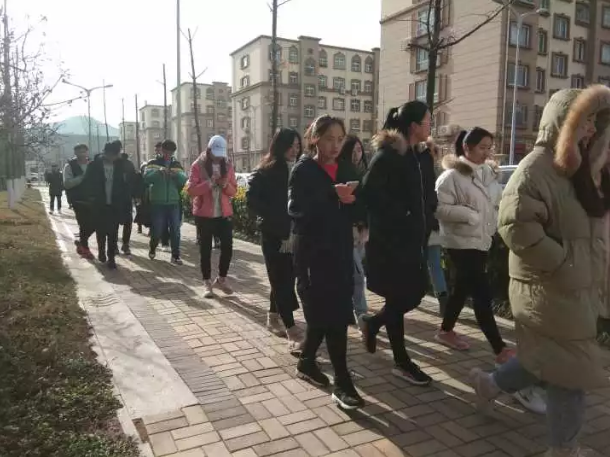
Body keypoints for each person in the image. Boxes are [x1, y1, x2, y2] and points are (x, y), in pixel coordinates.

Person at [470, 86, 610, 456]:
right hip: (549, 287)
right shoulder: (536, 168)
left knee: (545, 361)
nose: (591, 129)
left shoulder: (580, 169)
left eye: (596, 122)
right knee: (570, 373)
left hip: (573, 287)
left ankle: (489, 385)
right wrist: (564, 261)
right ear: (565, 122)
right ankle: (564, 449)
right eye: (586, 120)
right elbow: (515, 225)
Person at [289, 115, 365, 410]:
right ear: (315, 139)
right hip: (312, 253)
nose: (335, 145)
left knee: (332, 313)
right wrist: (331, 196)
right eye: (329, 139)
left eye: (340, 139)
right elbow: (297, 211)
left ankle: (307, 361)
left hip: (340, 249)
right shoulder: (304, 170)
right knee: (330, 315)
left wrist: (353, 204)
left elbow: (358, 207)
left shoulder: (345, 168)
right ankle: (342, 382)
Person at [359, 101, 433, 386]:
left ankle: (373, 323)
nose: (431, 125)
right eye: (427, 121)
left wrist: (427, 217)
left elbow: (423, 194)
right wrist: (403, 215)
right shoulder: (388, 155)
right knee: (400, 295)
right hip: (391, 243)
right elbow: (369, 192)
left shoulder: (417, 155)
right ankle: (401, 361)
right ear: (413, 126)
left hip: (413, 240)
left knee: (413, 293)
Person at [434, 128, 515, 362]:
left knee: (462, 288)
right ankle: (499, 349)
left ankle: (445, 331)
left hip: (482, 239)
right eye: (482, 147)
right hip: (460, 242)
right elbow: (439, 208)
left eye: (489, 147)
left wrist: (494, 221)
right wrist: (470, 216)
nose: (487, 152)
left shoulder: (488, 173)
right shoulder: (451, 177)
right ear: (467, 147)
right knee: (481, 292)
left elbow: (495, 203)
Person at [247, 128, 303, 352]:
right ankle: (291, 329)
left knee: (285, 278)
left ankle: (272, 317)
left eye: (297, 146)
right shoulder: (266, 170)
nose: (294, 151)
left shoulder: (301, 169)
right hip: (273, 234)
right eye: (290, 146)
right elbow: (252, 200)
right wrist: (273, 216)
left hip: (295, 234)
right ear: (280, 146)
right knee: (281, 281)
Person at [187, 135, 237, 298]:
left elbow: (234, 191)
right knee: (205, 249)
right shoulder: (198, 165)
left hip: (223, 213)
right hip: (204, 215)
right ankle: (207, 282)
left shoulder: (228, 165)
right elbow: (191, 191)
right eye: (216, 154)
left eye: (221, 154)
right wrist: (209, 183)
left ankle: (222, 279)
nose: (218, 158)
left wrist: (225, 185)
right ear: (209, 150)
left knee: (228, 247)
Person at [83, 141, 135, 269]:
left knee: (113, 233)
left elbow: (127, 184)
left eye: (115, 155)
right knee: (100, 231)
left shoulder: (122, 166)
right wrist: (91, 198)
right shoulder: (94, 165)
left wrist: (127, 200)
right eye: (110, 154)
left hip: (115, 205)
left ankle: (111, 257)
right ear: (105, 153)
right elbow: (87, 183)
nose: (112, 157)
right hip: (99, 204)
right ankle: (101, 251)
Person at [338, 135, 369, 322]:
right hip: (346, 230)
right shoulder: (341, 171)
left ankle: (348, 307)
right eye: (352, 150)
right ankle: (361, 314)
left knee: (352, 272)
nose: (356, 154)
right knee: (358, 274)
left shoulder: (366, 172)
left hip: (361, 230)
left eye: (359, 150)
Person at [144, 139, 187, 264]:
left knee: (175, 230)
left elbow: (184, 179)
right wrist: (158, 172)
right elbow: (146, 178)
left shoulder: (176, 164)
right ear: (162, 150)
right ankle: (153, 247)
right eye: (166, 152)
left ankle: (175, 256)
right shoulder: (153, 163)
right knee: (157, 229)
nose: (168, 154)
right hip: (158, 202)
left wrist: (176, 175)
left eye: (171, 152)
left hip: (173, 202)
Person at [422, 137, 448, 315]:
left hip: (427, 225)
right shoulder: (440, 172)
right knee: (435, 264)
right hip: (436, 225)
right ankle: (443, 299)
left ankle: (416, 294)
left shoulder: (425, 172)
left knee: (424, 263)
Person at [63, 144, 94, 259]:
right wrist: (82, 177)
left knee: (95, 224)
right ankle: (86, 250)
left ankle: (81, 243)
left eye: (84, 151)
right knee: (83, 224)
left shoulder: (92, 164)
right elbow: (67, 184)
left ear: (87, 152)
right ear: (75, 153)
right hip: (78, 200)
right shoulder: (69, 166)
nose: (82, 154)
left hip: (93, 199)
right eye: (79, 152)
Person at [116, 144, 136, 255]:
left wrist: (134, 194)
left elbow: (134, 179)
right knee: (114, 223)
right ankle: (114, 245)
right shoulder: (111, 163)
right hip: (114, 198)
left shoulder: (128, 163)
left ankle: (125, 244)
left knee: (128, 222)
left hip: (126, 198)